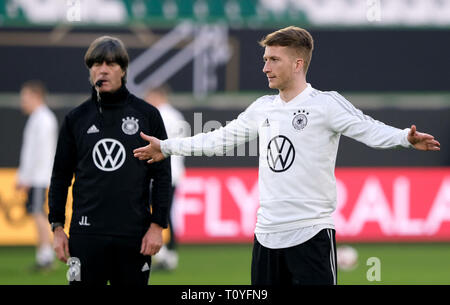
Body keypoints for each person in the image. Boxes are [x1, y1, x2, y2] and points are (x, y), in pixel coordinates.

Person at [133, 26, 441, 285]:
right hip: (266, 237)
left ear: (297, 63)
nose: (265, 67)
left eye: (273, 60)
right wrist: (166, 146)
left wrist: (404, 137)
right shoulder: (262, 108)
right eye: (265, 59)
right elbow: (218, 140)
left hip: (311, 234)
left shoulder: (326, 105)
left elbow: (367, 129)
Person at [48, 36, 171, 285]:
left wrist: (158, 224)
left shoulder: (147, 115)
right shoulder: (76, 119)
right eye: (95, 64)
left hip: (134, 237)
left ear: (123, 70)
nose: (102, 69)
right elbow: (60, 176)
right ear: (90, 71)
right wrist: (57, 227)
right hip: (84, 237)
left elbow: (162, 175)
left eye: (110, 64)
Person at [17, 80, 58, 271]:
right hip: (37, 177)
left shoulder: (43, 119)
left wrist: (27, 178)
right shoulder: (38, 118)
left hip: (40, 178)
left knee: (38, 214)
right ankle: (44, 254)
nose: (22, 101)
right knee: (37, 213)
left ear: (36, 96)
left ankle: (46, 256)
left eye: (25, 97)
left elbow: (40, 154)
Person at [144, 85, 186, 271]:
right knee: (168, 213)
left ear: (157, 95)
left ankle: (164, 255)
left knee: (158, 213)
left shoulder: (157, 115)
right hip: (175, 172)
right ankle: (169, 255)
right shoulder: (177, 116)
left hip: (160, 173)